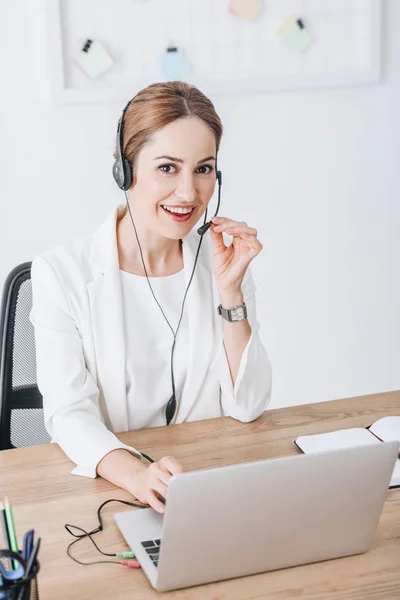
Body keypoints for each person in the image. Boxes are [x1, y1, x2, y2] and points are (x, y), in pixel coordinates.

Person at [30, 81, 272, 514]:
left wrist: (231, 292)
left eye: (203, 169)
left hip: (208, 485)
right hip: (113, 494)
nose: (188, 193)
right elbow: (68, 413)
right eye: (167, 168)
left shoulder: (219, 263)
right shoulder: (62, 273)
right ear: (125, 170)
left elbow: (249, 405)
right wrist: (139, 477)